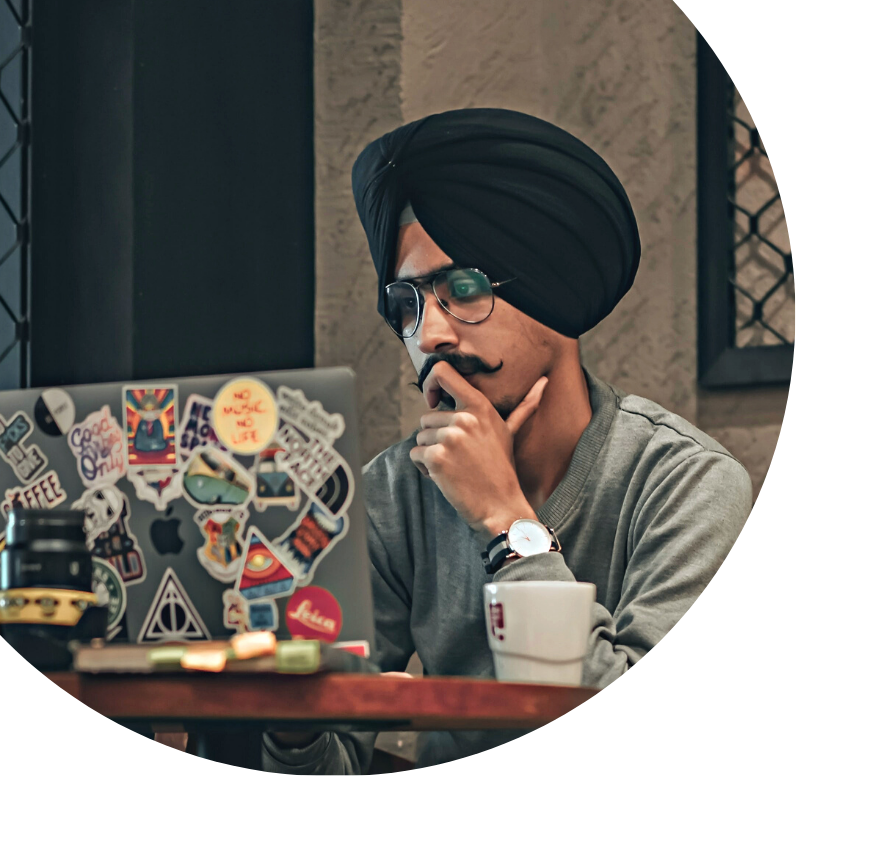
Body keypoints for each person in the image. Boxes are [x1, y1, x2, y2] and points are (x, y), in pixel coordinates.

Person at [262, 108, 753, 773]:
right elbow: (331, 760)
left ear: (555, 292)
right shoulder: (392, 492)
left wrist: (505, 522)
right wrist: (293, 730)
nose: (428, 335)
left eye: (463, 288)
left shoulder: (687, 485)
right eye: (408, 303)